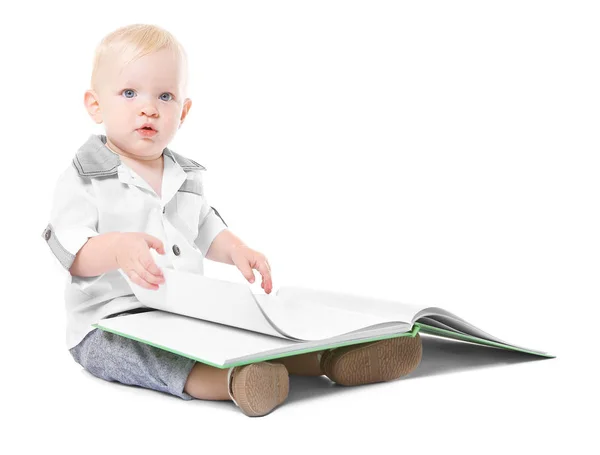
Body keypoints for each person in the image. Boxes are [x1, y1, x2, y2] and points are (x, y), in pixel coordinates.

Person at [41, 23, 423, 418]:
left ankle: (329, 360)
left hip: (183, 310)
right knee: (148, 356)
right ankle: (236, 382)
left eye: (166, 96)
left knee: (232, 332)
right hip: (108, 322)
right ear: (95, 105)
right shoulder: (85, 175)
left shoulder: (185, 175)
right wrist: (117, 248)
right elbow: (72, 250)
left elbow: (204, 226)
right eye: (129, 93)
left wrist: (237, 250)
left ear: (184, 111)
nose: (149, 107)